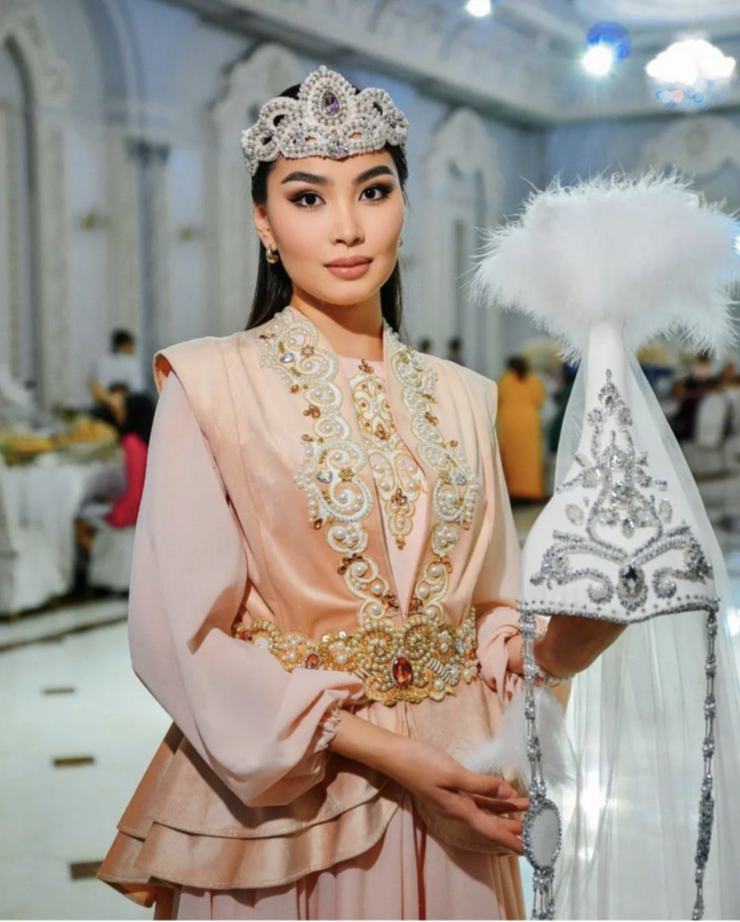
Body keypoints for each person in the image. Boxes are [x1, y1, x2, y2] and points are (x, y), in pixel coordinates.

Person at [97, 66, 623, 920]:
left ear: (403, 205)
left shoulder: (464, 395)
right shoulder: (210, 386)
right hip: (289, 797)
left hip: (455, 791)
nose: (346, 227)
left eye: (373, 191)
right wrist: (392, 752)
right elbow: (182, 636)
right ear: (264, 222)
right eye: (307, 198)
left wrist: (558, 646)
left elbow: (490, 608)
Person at [73, 392, 155, 593]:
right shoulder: (154, 439)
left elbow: (136, 490)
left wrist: (117, 515)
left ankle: (81, 577)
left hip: (136, 510)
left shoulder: (132, 442)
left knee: (81, 517)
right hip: (152, 508)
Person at [497, 355, 546, 503]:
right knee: (530, 458)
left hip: (510, 422)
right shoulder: (534, 381)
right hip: (529, 423)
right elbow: (540, 400)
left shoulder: (505, 380)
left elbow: (497, 399)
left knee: (512, 457)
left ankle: (514, 491)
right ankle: (532, 491)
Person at [88, 329, 145, 405]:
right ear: (126, 344)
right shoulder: (133, 362)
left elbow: (97, 386)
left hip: (104, 402)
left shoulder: (101, 361)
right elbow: (137, 389)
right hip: (127, 404)